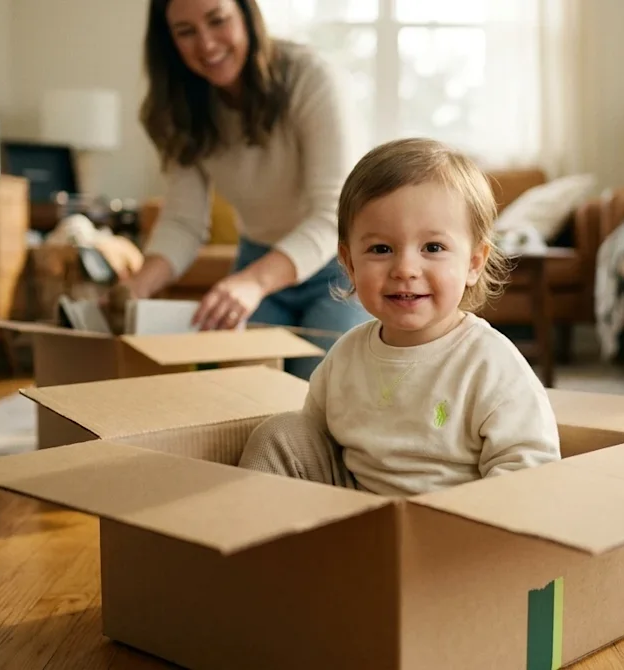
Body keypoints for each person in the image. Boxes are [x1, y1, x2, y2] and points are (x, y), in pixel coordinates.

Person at [238, 138, 562, 496]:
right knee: (280, 432)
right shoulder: (345, 356)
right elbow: (315, 436)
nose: (405, 269)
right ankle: (262, 536)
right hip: (352, 513)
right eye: (381, 249)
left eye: (433, 248)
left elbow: (531, 464)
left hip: (449, 525)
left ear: (473, 262)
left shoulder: (490, 363)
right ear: (348, 263)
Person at [121, 0, 371, 380]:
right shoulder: (177, 108)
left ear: (248, 18)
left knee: (319, 388)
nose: (206, 45)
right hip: (258, 260)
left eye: (217, 20)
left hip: (337, 267)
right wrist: (135, 288)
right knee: (227, 382)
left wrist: (253, 282)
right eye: (185, 32)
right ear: (168, 41)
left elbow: (334, 215)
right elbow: (183, 222)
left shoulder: (311, 77)